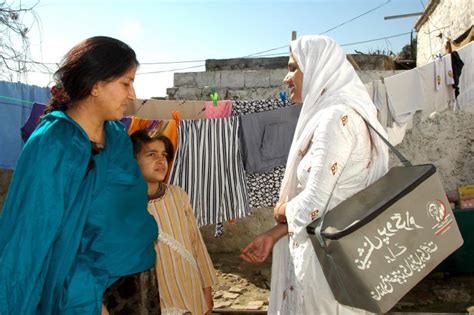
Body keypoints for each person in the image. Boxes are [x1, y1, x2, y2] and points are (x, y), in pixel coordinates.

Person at [0, 36, 158, 314]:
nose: (132, 94)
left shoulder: (118, 138)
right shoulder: (55, 143)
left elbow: (123, 211)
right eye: (126, 82)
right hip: (82, 293)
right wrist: (86, 296)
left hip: (136, 277)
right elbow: (39, 235)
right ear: (96, 85)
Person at [240, 35, 389, 314]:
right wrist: (274, 235)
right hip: (333, 259)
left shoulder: (336, 118)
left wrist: (282, 209)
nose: (286, 77)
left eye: (294, 67)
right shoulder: (336, 113)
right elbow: (334, 203)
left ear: (319, 67)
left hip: (327, 271)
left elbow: (316, 204)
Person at [130, 130, 218, 315]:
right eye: (151, 154)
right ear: (132, 160)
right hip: (155, 296)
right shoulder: (125, 204)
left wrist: (207, 293)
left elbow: (197, 246)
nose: (161, 161)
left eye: (164, 155)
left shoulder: (178, 195)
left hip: (191, 290)